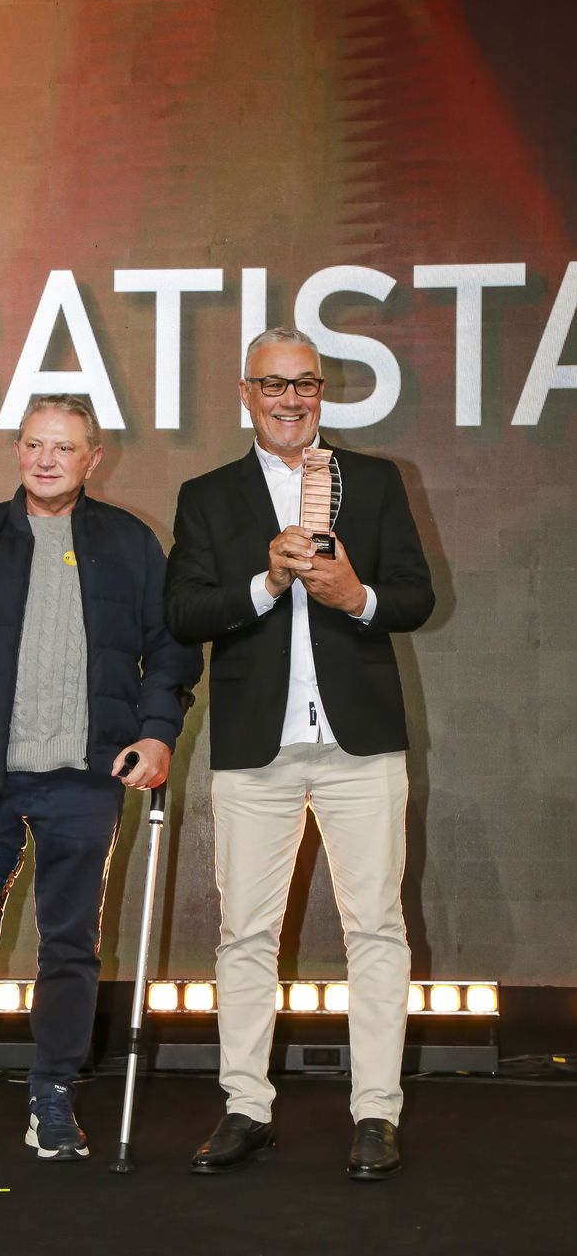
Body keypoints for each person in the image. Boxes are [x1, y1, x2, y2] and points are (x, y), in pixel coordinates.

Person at [0, 394, 201, 1167]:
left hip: (82, 783)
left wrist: (156, 732)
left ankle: (52, 1096)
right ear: (18, 451)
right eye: (33, 445)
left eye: (63, 447)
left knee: (69, 946)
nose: (46, 459)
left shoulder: (129, 543)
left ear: (94, 458)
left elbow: (171, 651)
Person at [165, 328, 434, 1179]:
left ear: (321, 391)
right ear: (245, 394)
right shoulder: (208, 496)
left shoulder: (376, 481)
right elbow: (184, 612)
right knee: (244, 933)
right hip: (257, 747)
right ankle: (246, 1108)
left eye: (305, 384)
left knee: (377, 928)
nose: (291, 400)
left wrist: (356, 597)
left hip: (360, 744)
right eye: (273, 385)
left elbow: (415, 596)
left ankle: (376, 1112)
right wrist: (267, 583)